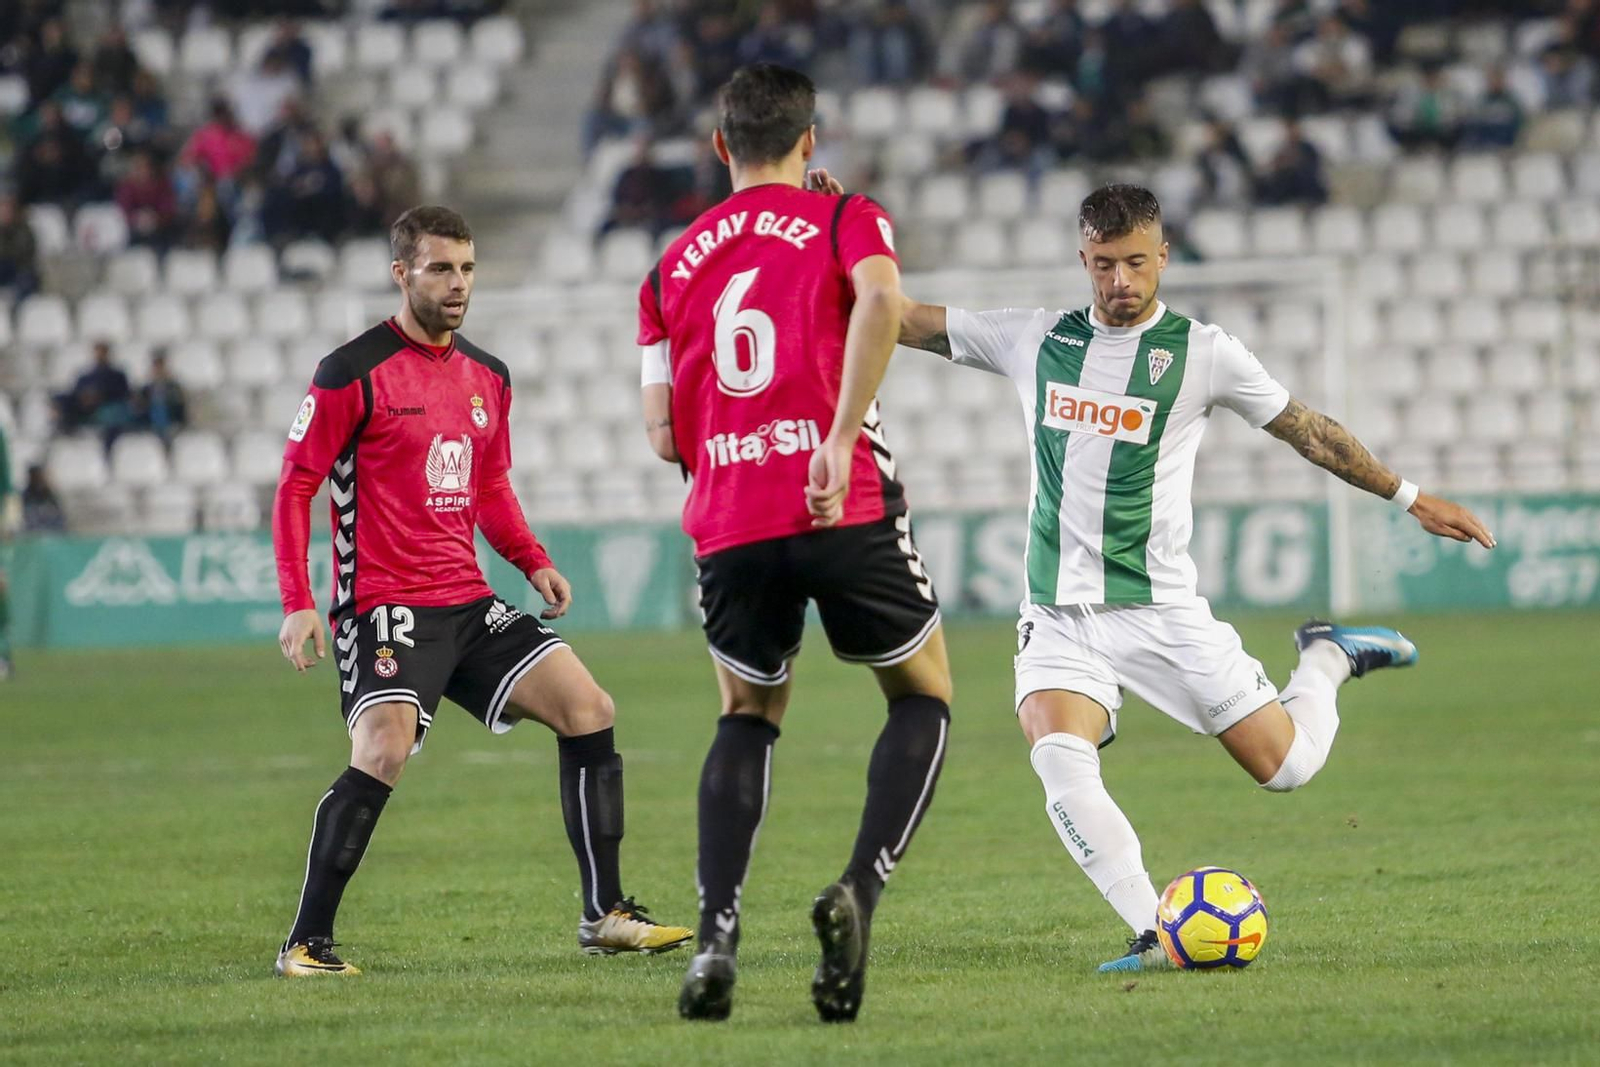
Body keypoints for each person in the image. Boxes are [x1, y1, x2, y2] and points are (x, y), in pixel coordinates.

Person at [886, 183, 1495, 972]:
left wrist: (1410, 496)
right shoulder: (1032, 341)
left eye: (1137, 262)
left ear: (1163, 255)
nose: (1121, 282)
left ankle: (1327, 656)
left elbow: (1309, 432)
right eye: (1104, 265)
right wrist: (827, 232)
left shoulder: (1205, 354)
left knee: (1288, 768)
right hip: (1060, 613)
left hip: (1162, 611)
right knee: (1056, 752)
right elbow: (897, 316)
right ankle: (1152, 929)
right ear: (1083, 259)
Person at [271, 205, 691, 978]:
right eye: (439, 268)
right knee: (384, 747)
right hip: (385, 606)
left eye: (466, 267)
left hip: (468, 600)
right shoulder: (350, 371)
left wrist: (532, 561)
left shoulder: (487, 375)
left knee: (590, 708)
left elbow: (489, 482)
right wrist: (299, 596)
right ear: (402, 273)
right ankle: (305, 941)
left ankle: (606, 912)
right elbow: (297, 485)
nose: (457, 283)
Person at [637, 64, 952, 1023]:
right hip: (839, 500)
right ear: (810, 140)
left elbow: (662, 434)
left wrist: (737, 444)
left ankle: (717, 936)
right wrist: (839, 432)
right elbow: (883, 301)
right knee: (924, 692)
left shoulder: (668, 267)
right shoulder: (842, 216)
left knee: (747, 712)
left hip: (730, 518)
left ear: (721, 146)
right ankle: (858, 885)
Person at [133, 349, 189, 440]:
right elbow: (140, 406)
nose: (158, 369)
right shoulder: (146, 388)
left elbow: (179, 404)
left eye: (160, 366)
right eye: (156, 366)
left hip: (170, 419)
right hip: (150, 420)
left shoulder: (173, 386)